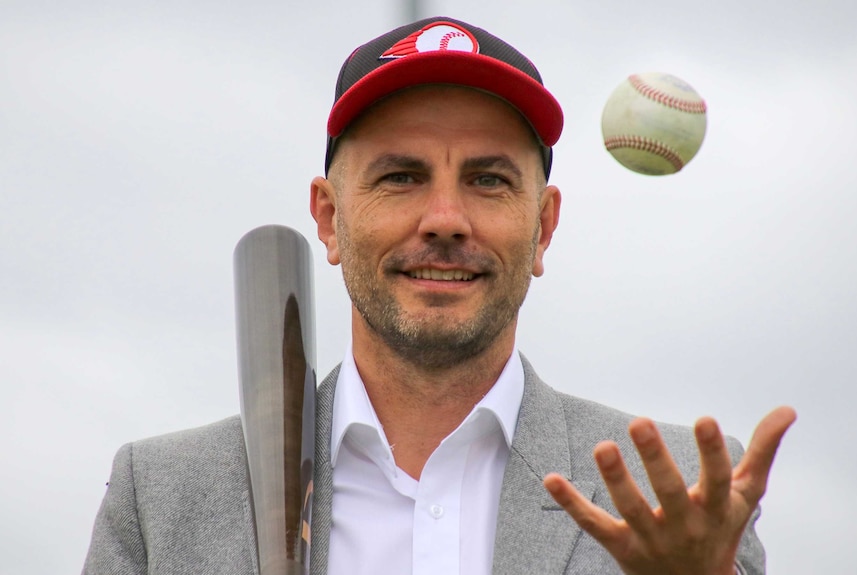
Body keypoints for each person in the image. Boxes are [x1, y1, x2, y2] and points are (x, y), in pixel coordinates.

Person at [82, 16, 795, 575]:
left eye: (488, 179)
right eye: (401, 176)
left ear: (543, 226)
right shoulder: (165, 495)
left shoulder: (675, 497)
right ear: (330, 218)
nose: (446, 219)